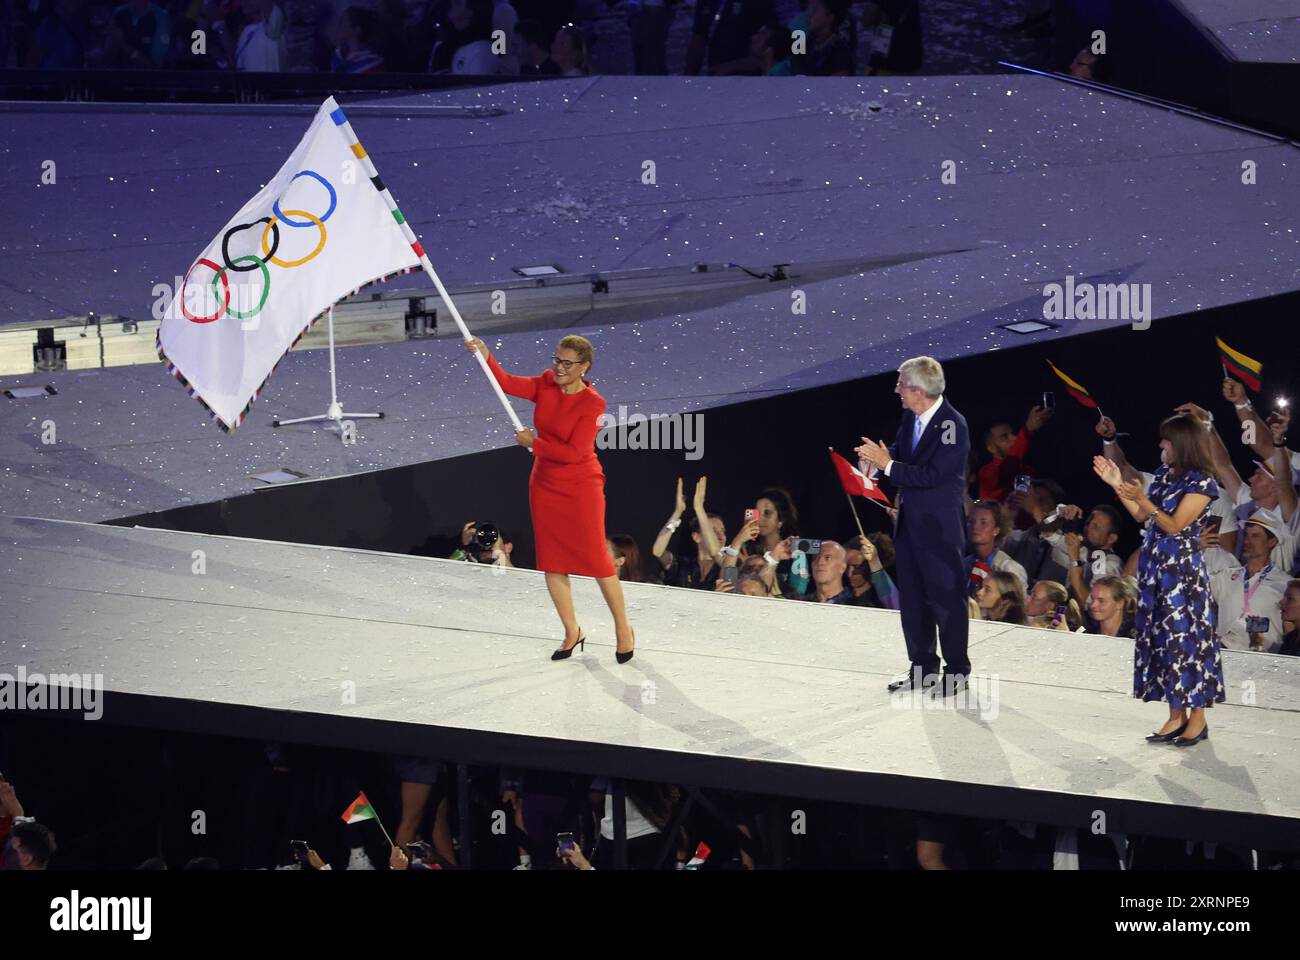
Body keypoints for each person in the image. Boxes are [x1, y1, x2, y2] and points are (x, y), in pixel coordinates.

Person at [466, 335, 635, 662]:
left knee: (599, 562)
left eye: (566, 363)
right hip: (544, 483)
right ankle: (572, 631)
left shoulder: (593, 404)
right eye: (556, 359)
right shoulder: (545, 383)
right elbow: (506, 383)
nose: (557, 367)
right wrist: (485, 354)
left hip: (581, 486)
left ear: (583, 367)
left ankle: (623, 630)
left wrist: (533, 443)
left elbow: (574, 453)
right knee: (553, 560)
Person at [1093, 413, 1222, 746]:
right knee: (1163, 644)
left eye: (1166, 440)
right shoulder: (1165, 475)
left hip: (1182, 576)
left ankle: (1198, 720)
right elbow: (1142, 515)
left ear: (1181, 444)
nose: (1161, 446)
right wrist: (1116, 487)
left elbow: (1174, 524)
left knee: (1186, 645)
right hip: (1155, 571)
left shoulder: (1203, 483)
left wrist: (1143, 498)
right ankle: (1174, 716)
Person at [857, 355, 971, 696]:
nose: (897, 391)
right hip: (909, 526)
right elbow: (899, 452)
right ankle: (922, 668)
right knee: (914, 601)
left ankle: (957, 672)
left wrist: (887, 465)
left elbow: (935, 475)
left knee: (946, 601)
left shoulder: (953, 425)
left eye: (901, 385)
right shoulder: (911, 417)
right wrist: (875, 464)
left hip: (939, 529)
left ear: (919, 390)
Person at [1205, 513, 1290, 651]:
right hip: (1224, 658)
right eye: (1246, 535)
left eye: (1255, 536)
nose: (1246, 541)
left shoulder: (1285, 584)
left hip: (1264, 663)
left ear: (1272, 542)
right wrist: (1198, 547)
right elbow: (1194, 584)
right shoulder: (1227, 576)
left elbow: (1291, 630)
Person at [966, 500, 1030, 594]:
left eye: (983, 523)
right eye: (971, 521)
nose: (975, 526)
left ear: (996, 530)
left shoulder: (1009, 569)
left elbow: (1019, 606)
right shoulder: (965, 564)